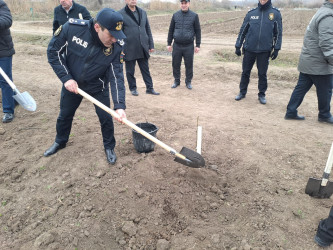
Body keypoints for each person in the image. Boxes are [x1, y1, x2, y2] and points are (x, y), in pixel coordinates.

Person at [45, 8, 127, 165]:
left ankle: (109, 147)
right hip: (73, 84)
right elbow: (53, 52)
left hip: (98, 86)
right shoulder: (73, 29)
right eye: (111, 35)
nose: (114, 40)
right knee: (64, 115)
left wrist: (119, 106)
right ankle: (60, 141)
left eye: (117, 35)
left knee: (106, 118)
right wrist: (66, 78)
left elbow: (117, 76)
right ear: (97, 27)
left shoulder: (117, 47)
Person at [285, 0, 333, 124]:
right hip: (319, 64)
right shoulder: (328, 15)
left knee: (301, 87)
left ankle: (291, 111)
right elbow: (326, 43)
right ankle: (324, 115)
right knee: (325, 89)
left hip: (309, 61)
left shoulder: (322, 12)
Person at [234, 0, 282, 104]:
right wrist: (238, 45)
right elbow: (243, 31)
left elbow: (278, 33)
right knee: (245, 72)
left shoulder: (275, 14)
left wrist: (277, 48)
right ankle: (242, 92)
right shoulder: (251, 13)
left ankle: (261, 94)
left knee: (262, 74)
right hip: (249, 50)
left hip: (264, 51)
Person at [119, 0, 159, 96]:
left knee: (146, 69)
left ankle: (150, 88)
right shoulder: (120, 14)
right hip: (129, 48)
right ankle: (133, 88)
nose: (133, 0)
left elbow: (147, 29)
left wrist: (151, 45)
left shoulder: (143, 12)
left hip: (142, 47)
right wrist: (121, 49)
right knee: (130, 71)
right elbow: (119, 34)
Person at [167, 0, 201, 90]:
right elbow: (171, 30)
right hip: (177, 45)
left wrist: (198, 45)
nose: (183, 5)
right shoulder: (175, 15)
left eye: (185, 3)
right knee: (175, 64)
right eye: (182, 3)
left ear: (189, 4)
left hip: (188, 46)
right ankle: (176, 81)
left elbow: (198, 31)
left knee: (189, 65)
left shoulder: (194, 16)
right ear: (180, 4)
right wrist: (168, 43)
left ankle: (188, 82)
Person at [0, 0, 15, 123]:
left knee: (5, 80)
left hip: (3, 50)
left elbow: (7, 20)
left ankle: (8, 110)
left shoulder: (1, 4)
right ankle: (13, 98)